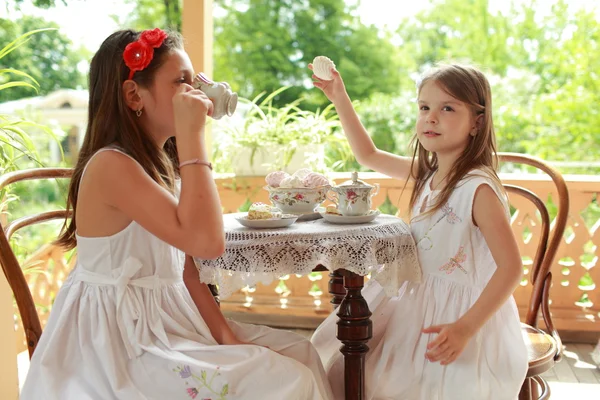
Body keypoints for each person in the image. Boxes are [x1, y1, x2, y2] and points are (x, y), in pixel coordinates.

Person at [20, 28, 333, 400]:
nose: (196, 91)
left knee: (303, 351)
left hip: (168, 316)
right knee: (290, 381)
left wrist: (225, 336)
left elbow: (187, 268)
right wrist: (192, 136)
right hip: (118, 341)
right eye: (182, 81)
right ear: (134, 94)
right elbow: (208, 242)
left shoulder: (161, 165)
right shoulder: (111, 166)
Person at [309, 62, 528, 399]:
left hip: (458, 320)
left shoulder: (477, 189)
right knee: (340, 360)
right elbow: (367, 154)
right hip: (415, 306)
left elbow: (511, 268)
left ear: (477, 123)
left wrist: (464, 328)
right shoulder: (428, 174)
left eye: (448, 108)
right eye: (424, 107)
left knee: (392, 385)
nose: (431, 117)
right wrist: (339, 96)